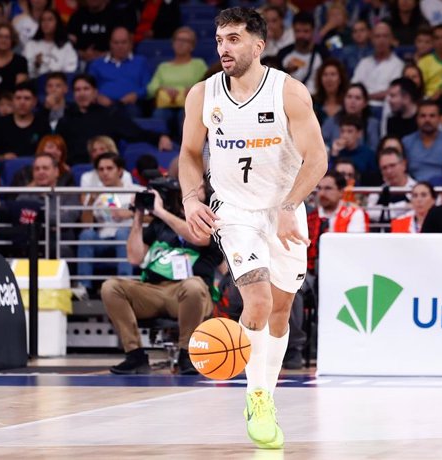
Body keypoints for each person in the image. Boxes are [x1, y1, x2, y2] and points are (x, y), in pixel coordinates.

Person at [178, 7, 327, 449]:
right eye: (220, 39)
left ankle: (267, 388)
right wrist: (190, 198)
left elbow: (317, 160)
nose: (224, 47)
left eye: (234, 39)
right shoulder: (202, 95)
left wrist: (290, 203)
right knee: (258, 300)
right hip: (235, 211)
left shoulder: (289, 93)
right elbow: (189, 153)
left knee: (281, 310)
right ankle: (257, 396)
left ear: (258, 45)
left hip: (283, 208)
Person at [101, 180, 223, 375]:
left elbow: (200, 238)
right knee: (111, 287)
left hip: (192, 292)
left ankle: (187, 354)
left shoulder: (211, 218)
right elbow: (134, 257)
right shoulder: (159, 226)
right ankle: (135, 355)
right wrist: (139, 216)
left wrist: (160, 213)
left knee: (193, 285)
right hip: (154, 291)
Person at [56, 74, 172, 165]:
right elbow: (58, 146)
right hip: (75, 168)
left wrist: (159, 137)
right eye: (78, 90)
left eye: (86, 89)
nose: (82, 93)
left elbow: (136, 133)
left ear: (95, 92)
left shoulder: (109, 115)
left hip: (106, 167)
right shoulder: (66, 119)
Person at [77, 153, 137, 291]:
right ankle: (83, 287)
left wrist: (131, 213)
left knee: (123, 233)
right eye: (101, 169)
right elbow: (86, 225)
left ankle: (125, 284)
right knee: (86, 235)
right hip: (103, 239)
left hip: (127, 239)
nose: (105, 173)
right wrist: (91, 202)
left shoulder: (134, 191)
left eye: (109, 168)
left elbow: (152, 217)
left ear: (120, 171)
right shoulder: (97, 194)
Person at [147, 27, 208, 142]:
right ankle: (162, 143)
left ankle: (186, 148)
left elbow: (207, 83)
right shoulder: (163, 67)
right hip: (165, 105)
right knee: (159, 114)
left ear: (192, 46)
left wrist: (193, 89)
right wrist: (162, 88)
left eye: (185, 41)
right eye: (178, 40)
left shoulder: (198, 64)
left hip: (188, 105)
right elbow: (150, 89)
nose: (180, 44)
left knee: (186, 114)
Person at [307, 170, 368, 276]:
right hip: (310, 272)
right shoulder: (309, 216)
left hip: (345, 269)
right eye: (319, 188)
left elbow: (355, 248)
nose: (322, 193)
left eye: (328, 188)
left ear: (341, 192)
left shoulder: (354, 214)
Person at [87, 27, 150, 119]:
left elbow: (147, 87)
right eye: (116, 43)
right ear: (110, 44)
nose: (120, 46)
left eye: (123, 42)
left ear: (130, 43)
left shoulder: (141, 62)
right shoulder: (97, 64)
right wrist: (98, 97)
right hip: (103, 105)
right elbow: (89, 86)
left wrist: (136, 95)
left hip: (130, 106)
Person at [0, 81, 51, 159]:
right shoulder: (0, 123)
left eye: (27, 98)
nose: (22, 102)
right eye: (18, 98)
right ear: (13, 101)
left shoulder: (43, 124)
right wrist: (1, 157)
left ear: (34, 101)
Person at [351, 22, 404, 115]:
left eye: (385, 36)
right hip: (361, 108)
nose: (381, 40)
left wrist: (367, 96)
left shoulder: (398, 65)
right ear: (372, 39)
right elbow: (354, 86)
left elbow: (392, 92)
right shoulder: (364, 63)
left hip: (384, 108)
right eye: (377, 36)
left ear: (391, 39)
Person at [402, 100, 442, 181]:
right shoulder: (407, 142)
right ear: (416, 119)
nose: (427, 120)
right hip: (413, 188)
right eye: (423, 116)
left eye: (432, 116)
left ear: (439, 119)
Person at [67, 0, 136, 63]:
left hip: (110, 60)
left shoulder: (117, 16)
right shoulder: (77, 16)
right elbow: (68, 44)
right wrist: (82, 54)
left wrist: (101, 55)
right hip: (80, 60)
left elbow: (127, 44)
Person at [277, 12, 328, 94]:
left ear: (313, 31)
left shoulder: (322, 53)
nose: (301, 35)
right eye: (298, 31)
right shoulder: (283, 53)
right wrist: (286, 71)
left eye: (306, 31)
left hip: (316, 99)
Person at [366, 147, 417, 224]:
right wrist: (404, 206)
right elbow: (370, 213)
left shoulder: (417, 188)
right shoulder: (376, 192)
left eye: (392, 165)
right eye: (384, 168)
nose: (389, 171)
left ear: (403, 164)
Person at [23, 8, 78, 78]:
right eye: (43, 20)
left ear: (57, 23)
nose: (46, 23)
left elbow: (70, 71)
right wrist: (36, 64)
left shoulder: (66, 46)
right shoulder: (31, 45)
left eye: (50, 20)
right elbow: (25, 70)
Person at [329, 115, 377, 182]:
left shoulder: (369, 154)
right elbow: (329, 177)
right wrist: (334, 154)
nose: (345, 135)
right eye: (342, 131)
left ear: (359, 134)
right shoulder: (336, 152)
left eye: (350, 131)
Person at [312, 58, 349, 127]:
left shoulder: (348, 102)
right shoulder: (313, 103)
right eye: (325, 75)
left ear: (340, 79)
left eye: (333, 74)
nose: (329, 79)